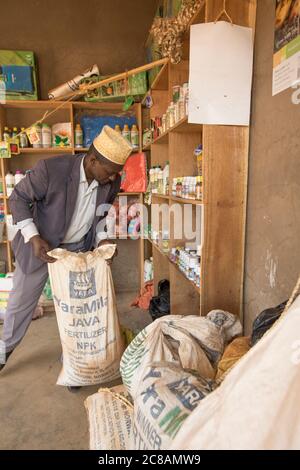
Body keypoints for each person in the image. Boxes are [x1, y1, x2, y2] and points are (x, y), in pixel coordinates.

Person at [0, 125, 132, 386]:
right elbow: (17, 198)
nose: (113, 178)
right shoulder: (51, 169)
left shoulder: (111, 180)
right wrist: (32, 236)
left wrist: (103, 240)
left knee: (78, 311)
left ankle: (75, 366)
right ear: (93, 160)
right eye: (109, 172)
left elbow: (101, 215)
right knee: (20, 306)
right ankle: (3, 353)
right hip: (40, 246)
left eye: (116, 173)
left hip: (77, 249)